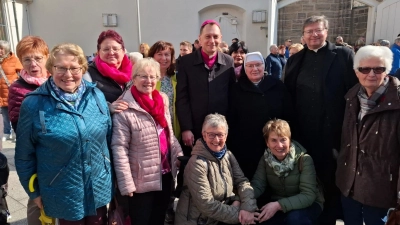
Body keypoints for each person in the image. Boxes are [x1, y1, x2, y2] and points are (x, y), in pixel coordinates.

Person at [15, 43, 113, 224]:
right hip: (61, 192)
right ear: (51, 68)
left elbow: (108, 139)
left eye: (74, 68)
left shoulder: (96, 96)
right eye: (61, 68)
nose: (68, 75)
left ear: (83, 68)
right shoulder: (33, 103)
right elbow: (23, 155)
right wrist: (34, 193)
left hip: (98, 187)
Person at [283, 15, 358, 225]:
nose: (314, 35)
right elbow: (288, 94)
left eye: (318, 30)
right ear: (303, 35)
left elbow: (354, 91)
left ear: (327, 31)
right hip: (304, 133)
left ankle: (331, 218)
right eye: (309, 31)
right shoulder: (295, 59)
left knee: (332, 179)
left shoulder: (343, 54)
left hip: (334, 133)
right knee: (307, 179)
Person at [111, 57, 183, 225]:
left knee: (159, 218)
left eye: (153, 76)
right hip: (140, 181)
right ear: (133, 78)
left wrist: (177, 154)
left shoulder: (162, 100)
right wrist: (126, 183)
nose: (148, 81)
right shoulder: (125, 107)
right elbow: (119, 148)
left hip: (164, 173)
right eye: (143, 76)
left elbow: (168, 133)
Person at [336, 46, 400, 225]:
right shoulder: (351, 98)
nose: (371, 74)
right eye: (365, 69)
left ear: (386, 72)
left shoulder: (397, 101)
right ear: (357, 72)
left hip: (382, 189)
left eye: (378, 69)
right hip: (350, 183)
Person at [175, 113, 258, 225]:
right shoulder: (196, 163)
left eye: (220, 134)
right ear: (204, 135)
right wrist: (240, 215)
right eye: (211, 135)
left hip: (220, 218)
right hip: (197, 221)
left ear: (226, 135)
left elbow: (242, 182)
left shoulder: (228, 155)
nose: (216, 139)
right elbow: (207, 204)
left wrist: (247, 207)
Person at [228, 52, 293, 180]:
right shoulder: (236, 89)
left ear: (264, 66)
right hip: (246, 144)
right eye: (250, 66)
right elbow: (231, 118)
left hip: (274, 142)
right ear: (244, 68)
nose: (254, 69)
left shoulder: (277, 85)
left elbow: (288, 112)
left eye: (258, 65)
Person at [8, 35, 49, 225]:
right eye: (27, 59)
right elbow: (19, 126)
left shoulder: (58, 81)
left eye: (38, 58)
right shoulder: (18, 89)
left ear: (47, 58)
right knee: (37, 202)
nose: (33, 64)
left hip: (59, 152)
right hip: (37, 153)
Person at [176, 19, 235, 149]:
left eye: (215, 36)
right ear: (200, 38)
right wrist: (186, 128)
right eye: (207, 36)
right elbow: (182, 98)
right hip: (194, 130)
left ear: (221, 38)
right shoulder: (186, 62)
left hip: (220, 131)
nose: (211, 41)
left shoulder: (229, 61)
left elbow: (232, 96)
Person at [251, 119, 323, 225]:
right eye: (274, 140)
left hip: (308, 204)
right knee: (261, 219)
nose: (279, 145)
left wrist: (278, 205)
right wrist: (240, 200)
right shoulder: (265, 159)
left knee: (295, 220)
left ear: (289, 140)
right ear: (267, 143)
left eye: (283, 140)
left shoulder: (304, 160)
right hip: (279, 203)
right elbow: (257, 185)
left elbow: (308, 195)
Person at [84, 30, 132, 114]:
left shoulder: (134, 72)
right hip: (106, 125)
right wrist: (108, 107)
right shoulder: (88, 74)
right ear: (98, 52)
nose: (111, 52)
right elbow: (84, 103)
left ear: (123, 51)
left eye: (115, 49)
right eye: (106, 49)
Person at [148, 41, 179, 139]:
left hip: (174, 127)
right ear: (152, 56)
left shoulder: (176, 78)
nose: (163, 58)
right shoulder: (146, 78)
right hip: (152, 128)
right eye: (159, 54)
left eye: (167, 55)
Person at [0, 40, 22, 141]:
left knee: (15, 113)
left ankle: (16, 132)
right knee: (5, 115)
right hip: (1, 93)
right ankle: (6, 132)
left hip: (12, 91)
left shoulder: (14, 60)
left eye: (1, 48)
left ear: (7, 49)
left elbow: (22, 73)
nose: (0, 51)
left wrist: (17, 81)